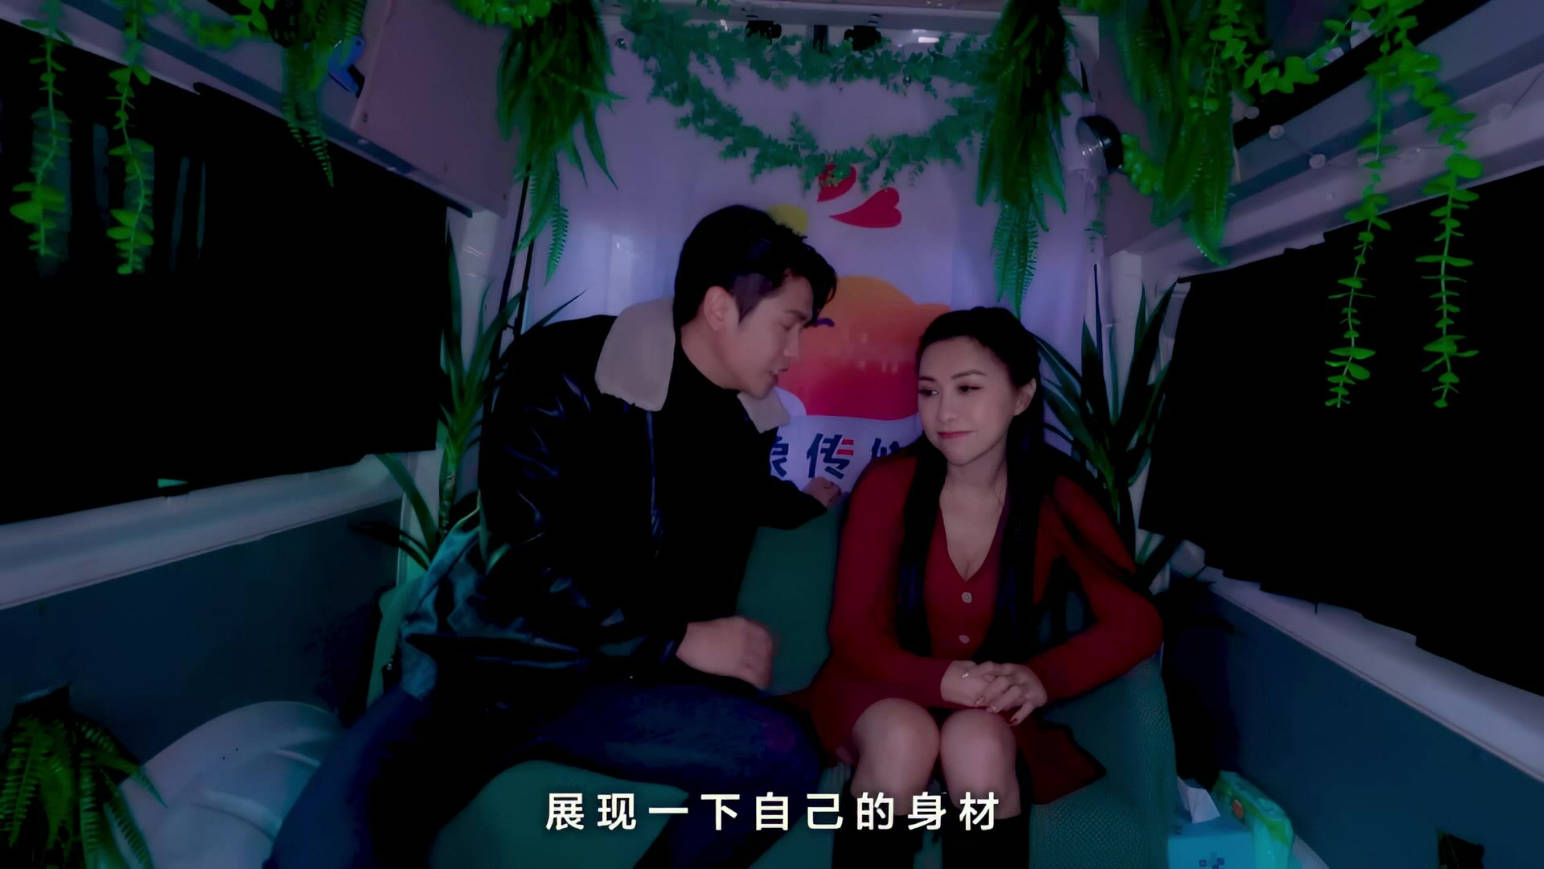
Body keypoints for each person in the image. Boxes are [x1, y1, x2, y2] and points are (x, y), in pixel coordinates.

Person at [266, 205, 842, 868]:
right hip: (493, 669)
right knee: (319, 853)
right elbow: (522, 560)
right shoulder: (564, 368)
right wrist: (677, 637)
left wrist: (803, 503)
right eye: (788, 326)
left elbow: (723, 489)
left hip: (620, 688)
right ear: (719, 308)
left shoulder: (744, 422)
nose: (795, 353)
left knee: (784, 757)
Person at [793, 306, 1163, 866]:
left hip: (986, 702)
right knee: (903, 739)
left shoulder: (1057, 494)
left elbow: (1137, 621)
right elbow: (853, 633)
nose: (944, 412)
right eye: (929, 391)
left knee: (980, 746)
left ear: (1022, 395)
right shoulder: (889, 485)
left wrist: (1042, 678)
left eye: (967, 388)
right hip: (880, 686)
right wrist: (944, 679)